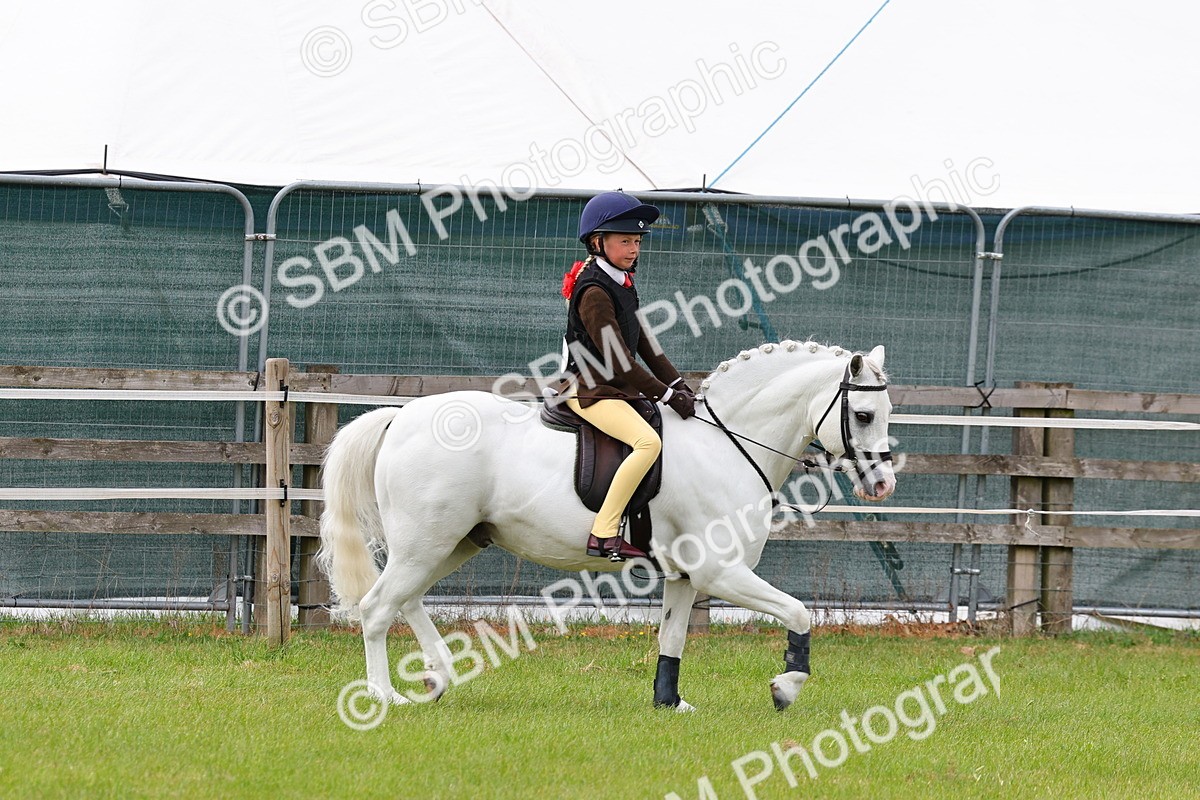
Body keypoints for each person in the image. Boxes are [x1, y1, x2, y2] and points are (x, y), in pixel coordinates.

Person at [556, 191, 696, 561]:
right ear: (598, 242)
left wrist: (679, 384)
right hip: (589, 389)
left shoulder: (621, 281)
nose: (634, 248)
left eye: (637, 241)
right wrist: (666, 396)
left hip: (612, 387)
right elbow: (620, 361)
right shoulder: (595, 292)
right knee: (648, 443)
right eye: (625, 240)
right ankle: (603, 533)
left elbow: (647, 343)